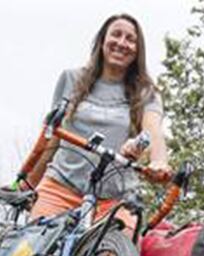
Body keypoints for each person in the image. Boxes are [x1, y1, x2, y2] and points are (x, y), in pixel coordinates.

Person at [22, 13, 170, 237]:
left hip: (115, 200)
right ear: (102, 40)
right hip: (61, 188)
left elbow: (153, 133)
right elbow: (53, 137)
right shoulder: (71, 79)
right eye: (116, 35)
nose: (122, 43)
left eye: (130, 39)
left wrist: (158, 161)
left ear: (138, 50)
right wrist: (27, 184)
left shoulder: (146, 92)